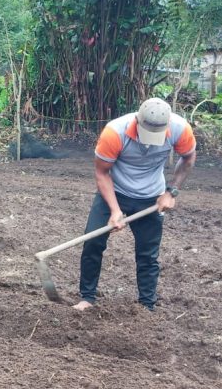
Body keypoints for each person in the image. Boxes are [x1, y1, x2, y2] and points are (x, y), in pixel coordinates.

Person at [74, 97, 196, 312]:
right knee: (93, 242)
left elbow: (188, 158)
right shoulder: (114, 133)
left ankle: (146, 306)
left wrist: (171, 191)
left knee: (148, 254)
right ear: (137, 122)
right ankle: (87, 297)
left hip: (152, 197)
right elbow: (102, 173)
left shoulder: (180, 129)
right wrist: (114, 210)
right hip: (115, 192)